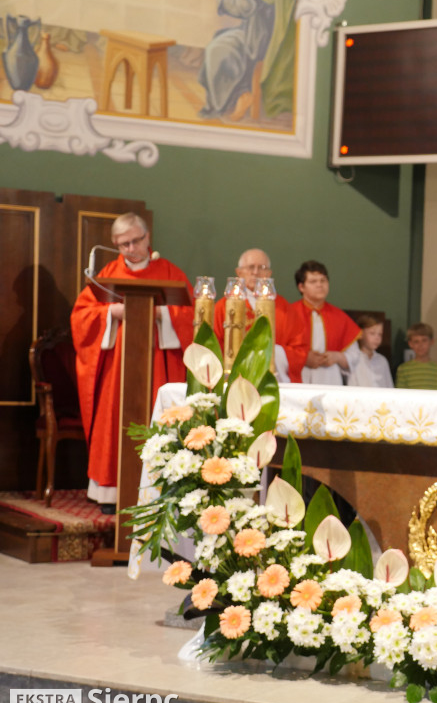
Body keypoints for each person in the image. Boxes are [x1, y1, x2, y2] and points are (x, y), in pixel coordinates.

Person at [71, 213, 194, 513]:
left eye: (136, 240)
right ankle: (111, 495)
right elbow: (81, 318)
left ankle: (158, 493)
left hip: (157, 366)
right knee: (114, 423)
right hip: (118, 372)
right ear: (115, 244)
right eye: (123, 243)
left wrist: (161, 315)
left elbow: (191, 318)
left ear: (148, 237)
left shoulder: (170, 273)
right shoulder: (107, 274)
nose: (131, 248)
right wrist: (112, 312)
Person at [198, 0, 299, 121]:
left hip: (262, 37)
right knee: (223, 42)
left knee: (218, 49)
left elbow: (244, 6)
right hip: (267, 32)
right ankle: (241, 95)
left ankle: (231, 99)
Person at [212, 248, 290, 379]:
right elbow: (215, 344)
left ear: (269, 273)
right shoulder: (224, 306)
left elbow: (298, 348)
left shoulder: (283, 307)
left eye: (262, 268)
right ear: (239, 272)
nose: (256, 272)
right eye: (250, 267)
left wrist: (274, 352)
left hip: (274, 376)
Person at [284, 260, 361, 384]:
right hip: (298, 377)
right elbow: (278, 350)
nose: (320, 285)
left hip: (330, 379)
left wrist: (337, 357)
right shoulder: (289, 314)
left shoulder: (339, 317)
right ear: (301, 287)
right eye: (313, 281)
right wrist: (303, 358)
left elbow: (355, 355)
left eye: (323, 280)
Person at [395, 323, 437, 390]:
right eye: (416, 341)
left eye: (424, 340)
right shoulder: (403, 369)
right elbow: (400, 395)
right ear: (410, 344)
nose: (420, 345)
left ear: (431, 342)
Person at [346, 314, 394, 388]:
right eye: (372, 333)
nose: (377, 338)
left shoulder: (382, 360)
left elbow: (389, 386)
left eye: (380, 334)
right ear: (360, 334)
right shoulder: (353, 359)